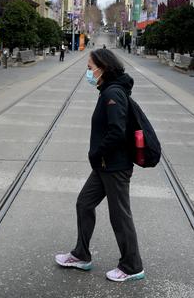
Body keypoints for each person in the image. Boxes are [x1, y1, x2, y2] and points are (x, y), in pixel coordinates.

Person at [55, 49, 144, 282]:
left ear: (102, 68)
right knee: (84, 203)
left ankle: (132, 266)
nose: (88, 72)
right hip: (104, 166)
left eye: (90, 67)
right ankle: (81, 255)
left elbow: (117, 131)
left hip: (115, 166)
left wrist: (96, 153)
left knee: (120, 216)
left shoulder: (113, 93)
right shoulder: (107, 91)